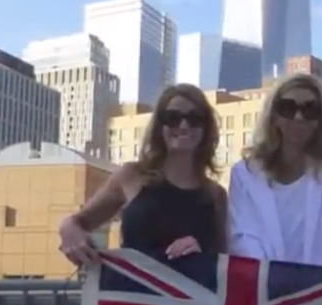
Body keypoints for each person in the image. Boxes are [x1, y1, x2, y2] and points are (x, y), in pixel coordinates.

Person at [57, 83, 227, 265]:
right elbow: (78, 222)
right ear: (159, 127)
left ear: (206, 128)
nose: (184, 125)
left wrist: (201, 253)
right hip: (131, 291)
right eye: (172, 117)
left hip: (190, 291)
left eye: (195, 118)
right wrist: (68, 229)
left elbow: (224, 262)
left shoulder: (216, 195)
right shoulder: (131, 176)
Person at [227, 72, 322, 264]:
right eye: (288, 108)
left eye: (310, 109)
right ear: (274, 116)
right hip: (265, 286)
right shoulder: (245, 173)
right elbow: (241, 237)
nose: (299, 118)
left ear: (321, 119)